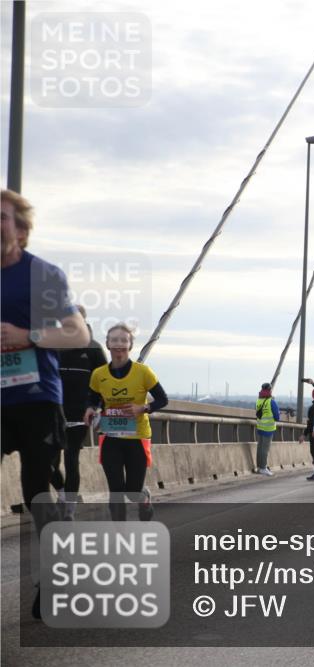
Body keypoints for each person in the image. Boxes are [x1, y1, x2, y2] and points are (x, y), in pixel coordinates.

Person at [1, 189, 90, 618]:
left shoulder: (42, 275)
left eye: (2, 217)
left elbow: (78, 335)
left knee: (36, 488)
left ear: (20, 229)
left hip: (37, 399)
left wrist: (28, 336)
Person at [85, 323, 169, 521]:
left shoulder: (143, 372)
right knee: (115, 491)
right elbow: (93, 398)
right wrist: (90, 409)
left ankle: (143, 497)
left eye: (124, 340)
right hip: (110, 436)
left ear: (130, 345)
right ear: (107, 344)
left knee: (132, 492)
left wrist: (143, 408)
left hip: (137, 437)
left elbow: (163, 399)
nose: (119, 344)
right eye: (114, 340)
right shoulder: (99, 374)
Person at [53, 303, 108, 518]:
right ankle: (62, 492)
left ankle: (70, 507)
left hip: (80, 415)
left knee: (71, 458)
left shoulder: (93, 348)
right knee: (49, 462)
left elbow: (104, 380)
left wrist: (97, 407)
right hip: (53, 414)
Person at [254, 382, 280, 476]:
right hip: (268, 429)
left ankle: (259, 467)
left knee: (260, 448)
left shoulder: (258, 401)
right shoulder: (271, 401)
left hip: (260, 427)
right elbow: (277, 417)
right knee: (265, 449)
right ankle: (263, 468)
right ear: (270, 390)